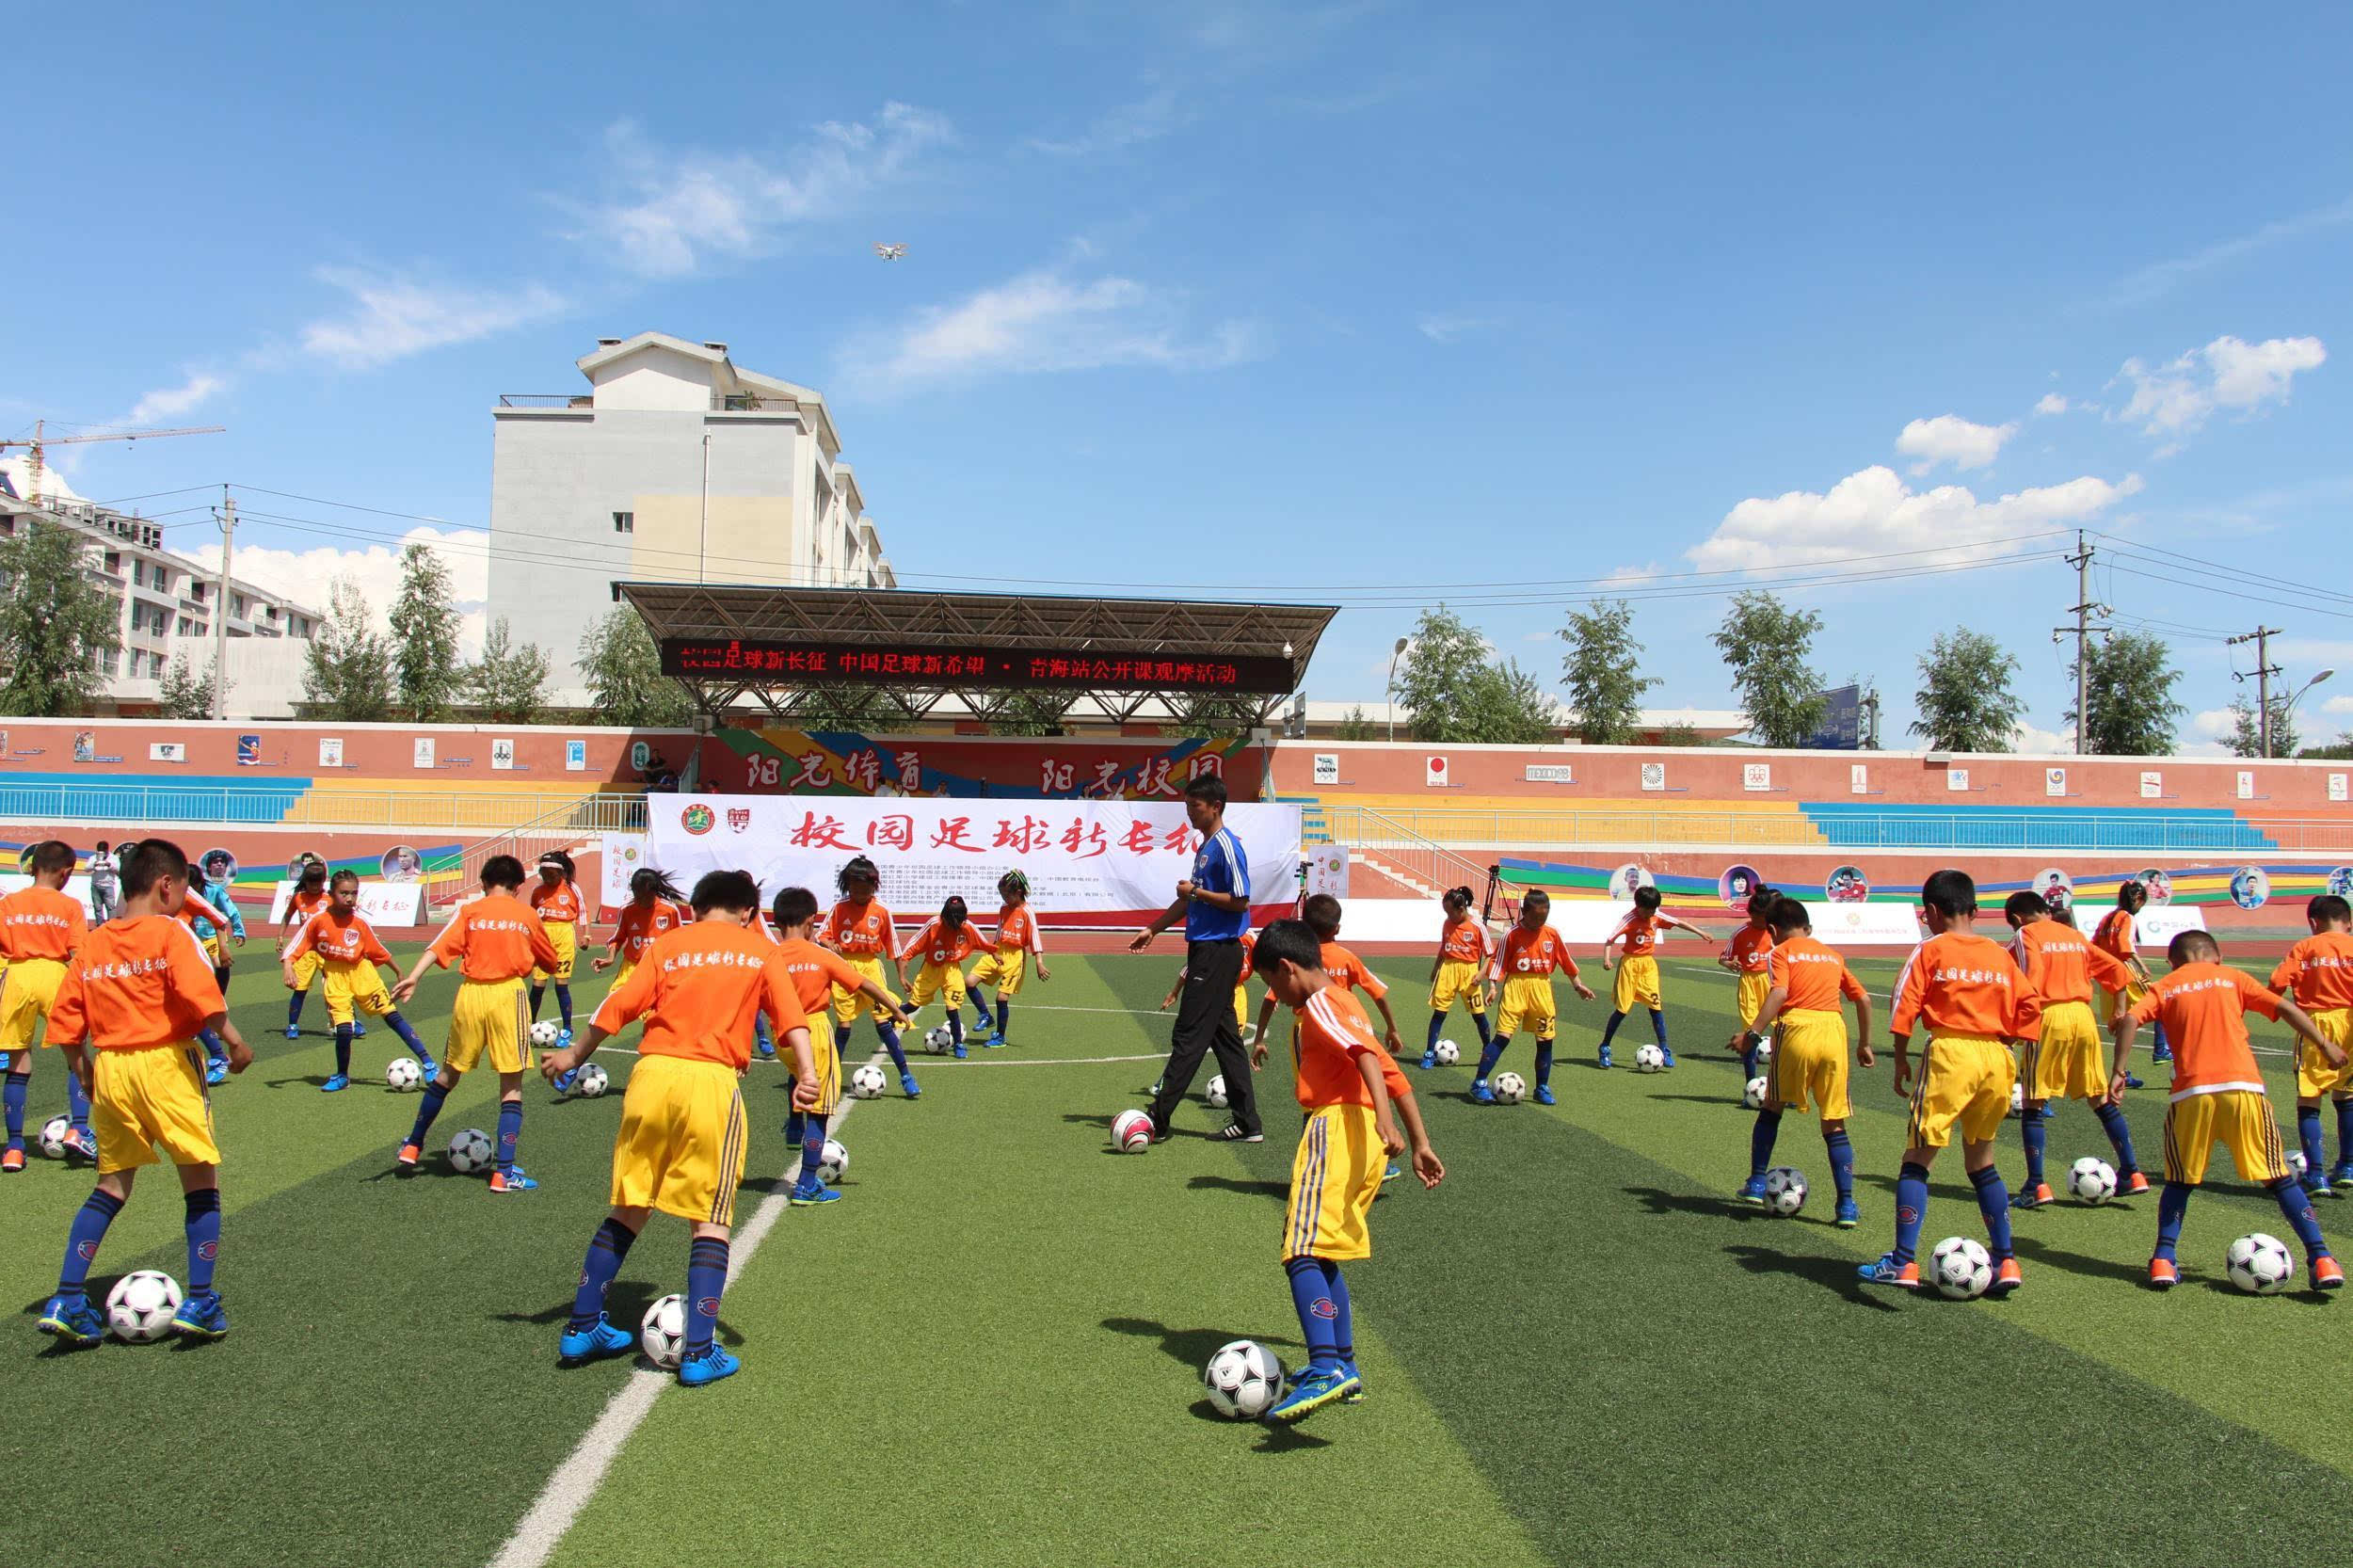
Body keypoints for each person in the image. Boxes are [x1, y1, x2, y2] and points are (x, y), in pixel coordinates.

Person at [537, 871, 819, 1386]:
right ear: (750, 913)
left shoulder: (669, 945)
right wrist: (807, 1073)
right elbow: (792, 1019)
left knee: (629, 1206)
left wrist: (574, 1054)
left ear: (695, 907)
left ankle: (581, 1326)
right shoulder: (760, 951)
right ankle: (699, 1351)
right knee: (710, 1218)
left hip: (650, 1078)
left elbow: (619, 1003)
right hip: (709, 1084)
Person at [37, 839, 253, 1345]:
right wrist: (236, 1044)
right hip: (165, 1064)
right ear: (166, 885)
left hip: (111, 1067)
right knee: (200, 1182)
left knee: (112, 1185)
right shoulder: (171, 932)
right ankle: (200, 1301)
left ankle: (68, 1298)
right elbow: (202, 995)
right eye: (182, 890)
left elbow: (67, 1014)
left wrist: (81, 1067)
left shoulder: (93, 941)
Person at [1249, 918, 1442, 1422]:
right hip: (1361, 1138)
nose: (1277, 994)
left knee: (1301, 1250)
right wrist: (1420, 1141)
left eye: (1272, 983)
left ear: (1289, 968)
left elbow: (1366, 1060)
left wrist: (1383, 1120)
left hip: (1336, 1125)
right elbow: (1393, 1071)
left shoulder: (1318, 1003)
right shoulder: (1349, 1002)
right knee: (1324, 1250)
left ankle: (1325, 1368)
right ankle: (1345, 1365)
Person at [2118, 930, 2345, 1291]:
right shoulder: (2233, 977)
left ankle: (2163, 1260)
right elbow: (2285, 1007)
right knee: (2279, 1177)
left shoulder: (2167, 985)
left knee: (2180, 1181)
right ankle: (2322, 1258)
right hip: (2244, 1089)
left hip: (2191, 1094)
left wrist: (2119, 1071)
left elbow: (2130, 1020)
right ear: (2218, 956)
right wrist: (2325, 1043)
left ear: (2174, 961)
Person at [1859, 870, 2040, 1293]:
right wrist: (2004, 1039)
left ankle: (1903, 1263)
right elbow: (2031, 1007)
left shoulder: (1930, 949)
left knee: (1918, 1159)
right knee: (1982, 1163)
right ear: (1975, 911)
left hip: (1950, 1053)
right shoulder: (2000, 955)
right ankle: (2007, 1260)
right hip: (1997, 1057)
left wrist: (1901, 1060)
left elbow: (1905, 1004)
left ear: (1932, 912)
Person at [390, 855, 561, 1192]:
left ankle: (413, 1144)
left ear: (483, 882)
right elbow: (551, 962)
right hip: (507, 996)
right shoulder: (526, 915)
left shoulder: (471, 911)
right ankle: (504, 1173)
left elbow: (439, 947)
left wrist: (413, 978)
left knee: (447, 1075)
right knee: (511, 1085)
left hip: (470, 995)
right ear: (518, 885)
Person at [1131, 775, 1261, 1144]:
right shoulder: (1205, 848)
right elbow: (1189, 900)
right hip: (1206, 950)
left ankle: (1158, 1119)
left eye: (1195, 806)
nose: (1189, 812)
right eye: (1187, 805)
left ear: (1215, 807)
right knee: (1226, 1041)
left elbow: (1241, 900)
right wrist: (1154, 929)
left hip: (1218, 952)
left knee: (1188, 1035)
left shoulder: (1227, 846)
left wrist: (1199, 892)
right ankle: (1248, 1123)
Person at [767, 886, 913, 1206]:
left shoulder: (769, 958)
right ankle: (806, 1184)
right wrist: (896, 1009)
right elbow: (865, 984)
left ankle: (794, 1131)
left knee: (799, 1081)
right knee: (819, 1113)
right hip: (814, 1032)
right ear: (810, 921)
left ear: (777, 921)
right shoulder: (820, 955)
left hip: (782, 1035)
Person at [2003, 890, 2148, 1208]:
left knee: (2033, 1102)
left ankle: (2037, 1185)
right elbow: (2119, 972)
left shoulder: (2025, 934)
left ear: (2016, 918)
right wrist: (2118, 1012)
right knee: (2099, 1098)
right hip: (2083, 1018)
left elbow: (2028, 982)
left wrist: (2012, 1029)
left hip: (2049, 1017)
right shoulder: (2075, 936)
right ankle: (2133, 1173)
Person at [1736, 898, 1872, 1227]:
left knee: (1772, 1107)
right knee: (1834, 1123)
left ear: (1772, 930)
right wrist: (1865, 1044)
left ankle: (1756, 1182)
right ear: (1808, 927)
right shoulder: (1833, 955)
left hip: (1797, 1029)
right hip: (1834, 1033)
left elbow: (1780, 993)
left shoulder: (1780, 952)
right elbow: (1863, 998)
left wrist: (1752, 1034)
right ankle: (1847, 1206)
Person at [280, 870, 439, 1092]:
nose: (350, 898)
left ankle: (429, 1063)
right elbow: (296, 946)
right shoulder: (318, 921)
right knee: (344, 1029)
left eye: (354, 893)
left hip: (363, 974)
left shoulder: (360, 923)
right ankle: (342, 1076)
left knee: (391, 1016)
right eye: (344, 893)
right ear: (331, 894)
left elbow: (379, 950)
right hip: (335, 977)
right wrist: (288, 966)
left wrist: (400, 973)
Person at [0, 840, 90, 1170]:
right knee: (75, 1054)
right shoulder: (69, 906)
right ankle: (79, 1130)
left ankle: (13, 1148)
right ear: (66, 873)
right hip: (56, 976)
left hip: (18, 977)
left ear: (32, 867)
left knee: (17, 1063)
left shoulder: (9, 903)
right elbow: (80, 954)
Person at [1470, 888, 1595, 1106]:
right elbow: (1498, 962)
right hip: (1516, 987)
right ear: (1523, 912)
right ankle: (1479, 1083)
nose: (1540, 920)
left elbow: (1565, 960)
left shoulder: (1552, 934)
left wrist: (1578, 985)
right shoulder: (1512, 934)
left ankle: (1542, 1088)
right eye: (1536, 916)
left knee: (1545, 1040)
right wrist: (1492, 987)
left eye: (1544, 917)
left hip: (1542, 988)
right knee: (1503, 1037)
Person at [2269, 894, 2353, 1196]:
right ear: (2349, 922)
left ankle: (2316, 1175)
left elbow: (2277, 982)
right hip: (2352, 1020)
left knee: (2310, 1098)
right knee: (2347, 1097)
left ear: (2313, 922)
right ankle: (2347, 1166)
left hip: (2317, 1023)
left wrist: (2270, 1008)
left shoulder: (2305, 947)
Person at [822, 856, 920, 1097]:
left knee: (882, 1022)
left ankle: (906, 1076)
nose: (860, 894)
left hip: (870, 968)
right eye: (855, 889)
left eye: (865, 889)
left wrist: (902, 975)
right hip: (843, 967)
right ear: (847, 885)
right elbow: (822, 935)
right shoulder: (839, 907)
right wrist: (829, 944)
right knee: (844, 1025)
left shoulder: (881, 911)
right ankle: (830, 1080)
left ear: (873, 886)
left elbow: (894, 947)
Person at [1596, 884, 1714, 1069]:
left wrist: (1701, 933)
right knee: (1622, 1010)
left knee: (1655, 1006)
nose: (1650, 914)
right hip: (1630, 965)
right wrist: (1606, 959)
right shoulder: (1629, 919)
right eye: (1647, 911)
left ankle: (1665, 1048)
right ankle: (1605, 1047)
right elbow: (1609, 940)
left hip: (1648, 966)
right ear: (1638, 906)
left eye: (1653, 910)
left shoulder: (1656, 916)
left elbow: (1678, 922)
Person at [173, 872, 245, 1085]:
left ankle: (218, 1056)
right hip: (157, 960)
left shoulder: (185, 893)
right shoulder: (141, 896)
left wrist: (224, 947)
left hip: (185, 957)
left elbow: (220, 918)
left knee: (193, 1006)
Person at [966, 870, 1048, 1048]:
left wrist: (1039, 962)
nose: (1004, 899)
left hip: (1015, 957)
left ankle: (1000, 1037)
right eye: (1001, 895)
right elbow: (999, 931)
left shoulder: (1027, 912)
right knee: (969, 982)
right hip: (998, 952)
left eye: (1006, 895)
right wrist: (992, 950)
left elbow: (1034, 937)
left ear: (1018, 892)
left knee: (1001, 998)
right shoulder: (1004, 909)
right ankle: (986, 1015)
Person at [897, 896, 987, 1058]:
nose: (954, 926)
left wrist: (994, 953)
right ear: (944, 916)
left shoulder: (967, 926)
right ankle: (889, 1019)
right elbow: (911, 947)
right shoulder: (934, 924)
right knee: (913, 1005)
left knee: (952, 1008)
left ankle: (958, 1044)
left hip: (952, 970)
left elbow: (983, 942)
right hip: (930, 970)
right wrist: (902, 976)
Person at [2093, 880, 2169, 1068]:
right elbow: (2124, 944)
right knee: (2161, 1003)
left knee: (2120, 1019)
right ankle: (2161, 1050)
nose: (2141, 907)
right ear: (2137, 898)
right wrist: (2142, 966)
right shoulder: (2127, 917)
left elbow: (2094, 944)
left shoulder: (2108, 917)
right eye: (2142, 902)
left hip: (2108, 973)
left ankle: (2123, 1071)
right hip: (2125, 970)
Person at [1417, 885, 1495, 1071]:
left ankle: (1488, 1050)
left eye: (1450, 912)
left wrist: (1481, 973)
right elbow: (1444, 948)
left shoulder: (1478, 927)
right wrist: (1436, 969)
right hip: (1448, 970)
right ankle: (1429, 1053)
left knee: (1478, 1015)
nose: (1448, 916)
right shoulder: (1447, 924)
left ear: (1461, 909)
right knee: (1439, 1012)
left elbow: (1490, 954)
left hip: (1469, 973)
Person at [1719, 886, 1778, 1080]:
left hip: (1773, 983)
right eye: (1754, 917)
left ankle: (1785, 1085)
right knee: (1750, 1033)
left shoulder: (1776, 932)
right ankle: (1751, 1083)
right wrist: (1730, 963)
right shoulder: (1741, 932)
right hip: (1749, 984)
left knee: (1782, 1031)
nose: (1758, 921)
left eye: (1762, 917)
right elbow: (1723, 958)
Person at [527, 850, 584, 1041]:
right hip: (543, 937)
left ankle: (567, 1027)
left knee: (561, 983)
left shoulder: (571, 888)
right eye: (544, 873)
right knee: (538, 984)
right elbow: (532, 917)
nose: (547, 877)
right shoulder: (537, 891)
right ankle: (530, 1024)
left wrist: (586, 935)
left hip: (565, 935)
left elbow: (582, 911)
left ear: (561, 873)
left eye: (551, 874)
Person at [278, 858, 333, 1040]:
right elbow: (287, 916)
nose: (315, 886)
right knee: (300, 989)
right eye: (311, 882)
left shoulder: (330, 898)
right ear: (305, 881)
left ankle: (349, 1023)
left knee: (336, 987)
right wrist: (280, 936)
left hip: (327, 950)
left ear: (324, 880)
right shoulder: (299, 898)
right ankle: (292, 1024)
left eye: (318, 882)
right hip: (306, 951)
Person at [86, 840, 118, 924]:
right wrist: (94, 864)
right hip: (96, 885)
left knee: (110, 907)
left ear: (107, 850)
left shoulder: (113, 858)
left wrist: (109, 865)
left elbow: (118, 869)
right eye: (100, 852)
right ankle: (99, 925)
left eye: (104, 852)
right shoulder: (93, 858)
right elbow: (86, 869)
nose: (102, 854)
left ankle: (112, 925)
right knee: (97, 907)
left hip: (108, 886)